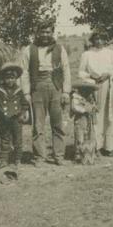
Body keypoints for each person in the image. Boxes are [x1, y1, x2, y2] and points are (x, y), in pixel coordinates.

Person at [20, 21, 72, 166]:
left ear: (52, 33)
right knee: (38, 125)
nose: (45, 35)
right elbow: (24, 72)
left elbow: (66, 70)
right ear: (37, 33)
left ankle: (59, 156)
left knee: (58, 123)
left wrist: (66, 91)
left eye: (48, 32)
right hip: (37, 87)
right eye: (42, 32)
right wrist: (26, 92)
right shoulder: (29, 49)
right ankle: (39, 157)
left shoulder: (59, 49)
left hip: (56, 86)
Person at [78, 30, 113, 156]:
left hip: (108, 84)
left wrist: (108, 74)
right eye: (96, 39)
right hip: (94, 85)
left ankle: (110, 146)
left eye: (102, 39)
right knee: (96, 114)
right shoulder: (87, 54)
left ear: (105, 40)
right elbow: (81, 72)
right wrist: (91, 77)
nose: (99, 41)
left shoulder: (110, 53)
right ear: (93, 40)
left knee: (109, 113)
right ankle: (97, 146)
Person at [0, 63, 30, 172]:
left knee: (18, 140)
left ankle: (17, 160)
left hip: (16, 119)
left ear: (15, 79)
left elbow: (25, 104)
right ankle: (4, 161)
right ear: (3, 79)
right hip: (3, 120)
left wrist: (23, 112)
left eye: (12, 78)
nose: (10, 81)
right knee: (5, 140)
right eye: (7, 78)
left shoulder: (19, 90)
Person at [70, 81, 99, 165]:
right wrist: (85, 110)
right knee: (80, 136)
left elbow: (95, 108)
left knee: (90, 134)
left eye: (89, 90)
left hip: (88, 119)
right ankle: (78, 154)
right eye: (85, 89)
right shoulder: (76, 97)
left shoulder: (90, 98)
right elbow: (75, 108)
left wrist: (93, 108)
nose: (87, 91)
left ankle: (90, 153)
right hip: (80, 118)